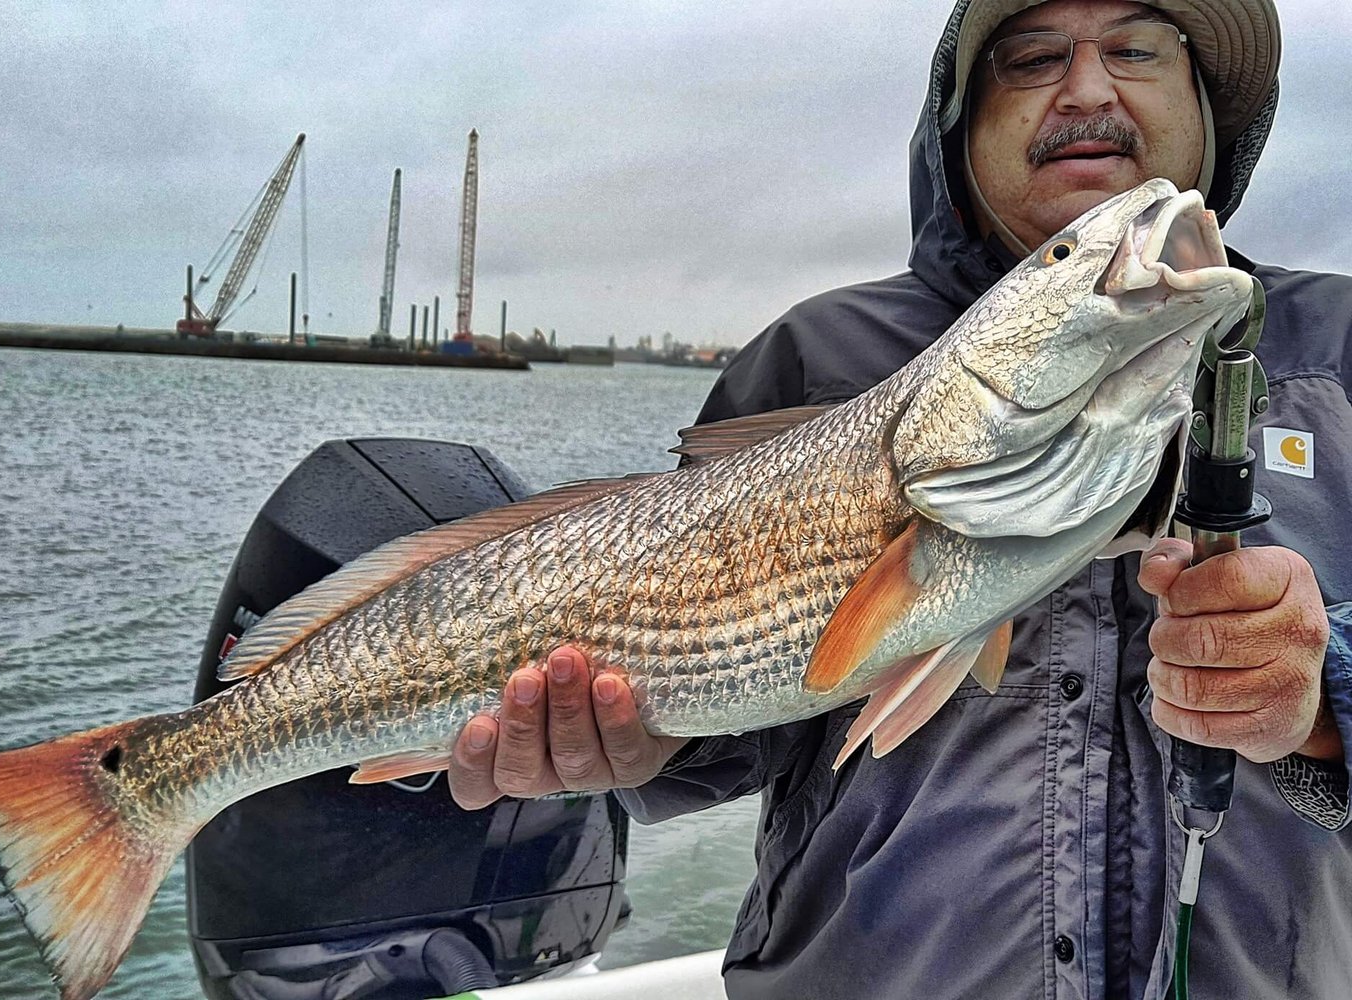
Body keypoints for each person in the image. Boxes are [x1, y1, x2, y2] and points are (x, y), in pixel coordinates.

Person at [449, 1, 1352, 996]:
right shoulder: (810, 359)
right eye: (1032, 57)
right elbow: (717, 719)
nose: (1087, 89)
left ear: (1211, 108)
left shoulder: (1339, 347)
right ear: (958, 124)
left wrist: (1325, 698)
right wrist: (626, 737)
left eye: (1136, 50)